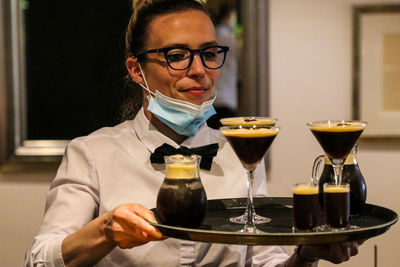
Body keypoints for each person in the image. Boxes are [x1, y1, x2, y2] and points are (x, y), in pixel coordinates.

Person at [25, 0, 363, 266]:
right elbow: (39, 260)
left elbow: (266, 262)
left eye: (210, 53)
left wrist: (306, 254)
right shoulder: (92, 153)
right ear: (137, 70)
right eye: (177, 56)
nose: (200, 71)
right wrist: (105, 230)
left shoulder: (239, 153)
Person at [205, 0, 239, 129]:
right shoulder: (231, 39)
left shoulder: (208, 37)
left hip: (208, 102)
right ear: (229, 15)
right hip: (226, 101)